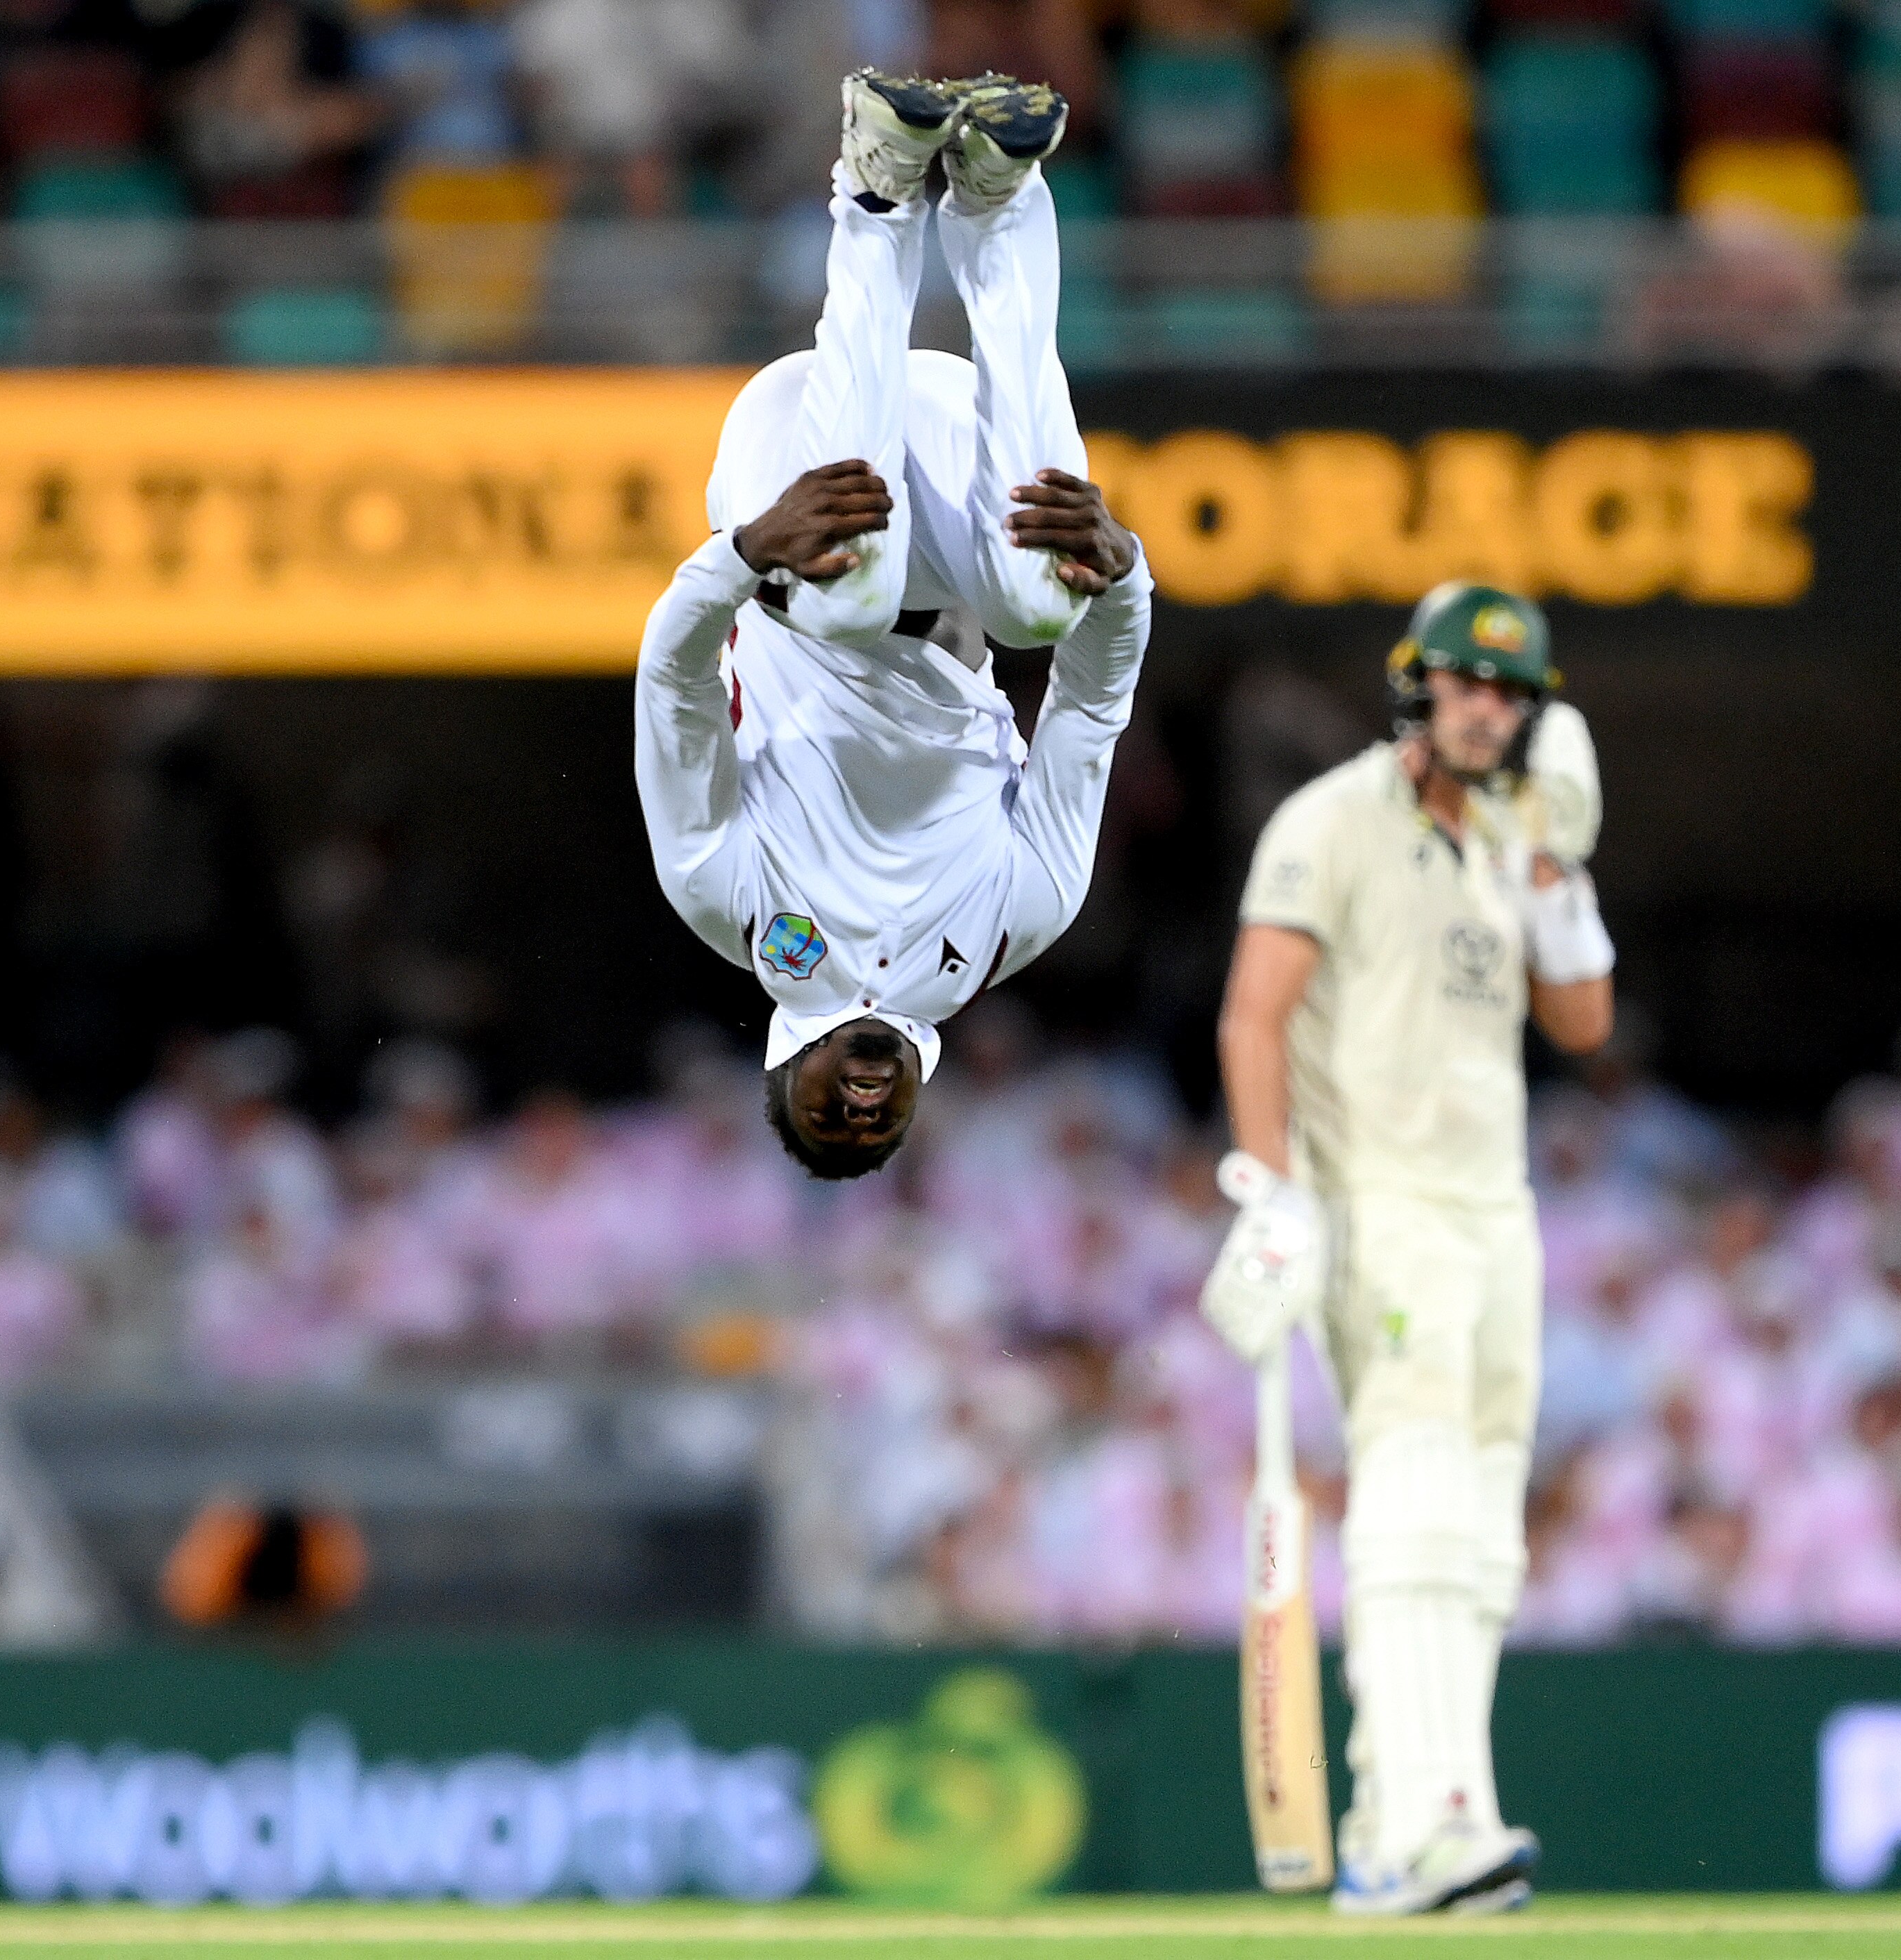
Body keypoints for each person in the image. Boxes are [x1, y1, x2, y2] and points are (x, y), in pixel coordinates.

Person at [635, 70, 1153, 1181]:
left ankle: (874, 193)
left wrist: (741, 552)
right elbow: (1087, 709)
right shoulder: (1017, 925)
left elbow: (670, 686)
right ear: (920, 1097)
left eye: (829, 1121)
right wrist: (1125, 577)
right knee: (1040, 601)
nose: (862, 1111)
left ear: (781, 1073)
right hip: (955, 495)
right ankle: (995, 200)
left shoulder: (729, 907)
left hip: (797, 477)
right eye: (881, 1129)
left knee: (851, 593)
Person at [1203, 583, 1616, 1916]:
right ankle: (1419, 1823)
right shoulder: (1328, 821)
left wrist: (1557, 875)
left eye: (1509, 692)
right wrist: (1269, 1190)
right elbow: (1251, 1018)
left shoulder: (1514, 840)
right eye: (1463, 682)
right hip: (1377, 1202)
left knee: (1485, 1518)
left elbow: (1585, 1024)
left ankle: (1427, 1815)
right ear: (1416, 687)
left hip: (1494, 1206)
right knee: (1419, 1479)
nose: (1486, 707)